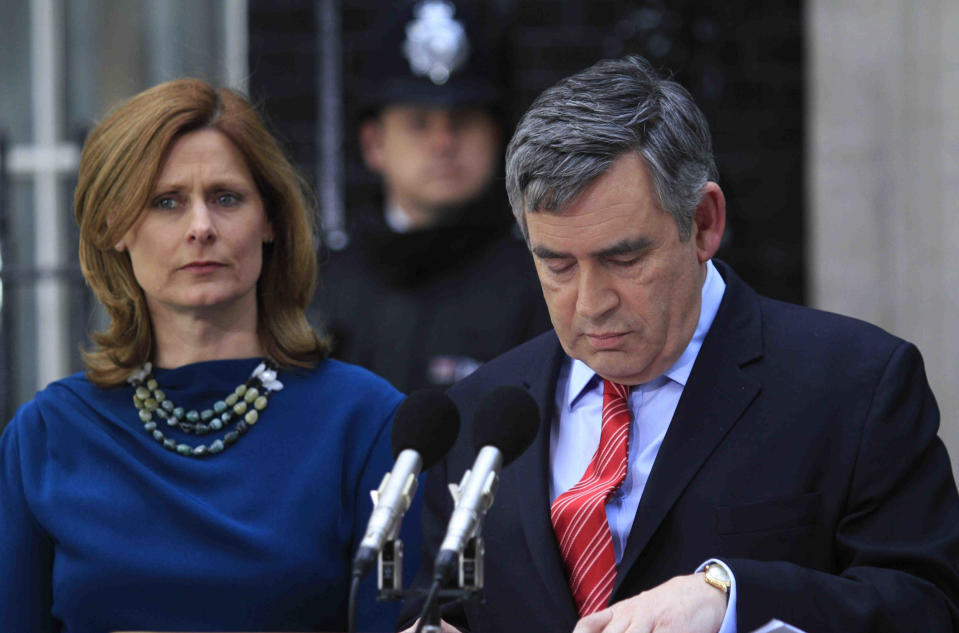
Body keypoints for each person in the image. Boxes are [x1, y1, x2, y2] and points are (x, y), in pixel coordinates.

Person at [401, 56, 959, 633]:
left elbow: (927, 607)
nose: (591, 303)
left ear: (704, 222)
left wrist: (731, 599)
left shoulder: (856, 385)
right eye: (558, 265)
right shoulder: (478, 414)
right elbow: (441, 604)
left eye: (624, 259)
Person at [0, 78, 418, 632]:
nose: (201, 228)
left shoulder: (363, 420)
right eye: (166, 202)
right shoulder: (48, 435)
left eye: (226, 198)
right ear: (115, 226)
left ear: (269, 220)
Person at [312, 0, 550, 393]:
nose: (443, 143)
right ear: (374, 142)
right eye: (418, 123)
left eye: (463, 121)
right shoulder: (322, 283)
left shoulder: (542, 283)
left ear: (497, 136)